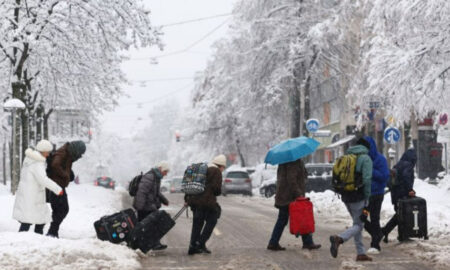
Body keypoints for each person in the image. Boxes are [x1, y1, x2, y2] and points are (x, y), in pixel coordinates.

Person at [329, 137, 373, 262]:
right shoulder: (365, 158)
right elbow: (367, 179)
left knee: (357, 224)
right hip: (358, 196)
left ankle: (361, 253)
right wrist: (367, 197)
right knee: (359, 225)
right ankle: (340, 238)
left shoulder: (347, 157)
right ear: (366, 148)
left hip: (346, 195)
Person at [267, 158, 321, 251]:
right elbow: (292, 179)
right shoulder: (293, 161)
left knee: (287, 219)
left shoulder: (284, 161)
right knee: (300, 217)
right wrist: (298, 194)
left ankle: (274, 242)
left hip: (284, 195)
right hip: (289, 197)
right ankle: (274, 242)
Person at [13, 140, 63, 234]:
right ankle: (25, 240)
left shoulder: (29, 159)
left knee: (37, 220)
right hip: (33, 196)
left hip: (28, 194)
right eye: (48, 152)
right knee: (28, 221)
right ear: (43, 151)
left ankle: (36, 239)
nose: (48, 155)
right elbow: (43, 179)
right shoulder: (37, 163)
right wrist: (58, 189)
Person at [185, 155, 225, 255]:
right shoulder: (216, 171)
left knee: (197, 224)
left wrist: (188, 199)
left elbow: (190, 184)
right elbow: (217, 190)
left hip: (194, 201)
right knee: (212, 219)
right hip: (206, 202)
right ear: (221, 166)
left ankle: (192, 247)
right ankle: (200, 243)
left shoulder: (202, 169)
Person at [46, 140, 86, 238]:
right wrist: (65, 175)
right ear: (76, 150)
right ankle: (52, 232)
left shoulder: (67, 153)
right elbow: (55, 164)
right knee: (63, 209)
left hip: (58, 185)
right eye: (79, 153)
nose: (79, 156)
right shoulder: (63, 152)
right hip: (56, 185)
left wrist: (69, 173)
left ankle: (53, 232)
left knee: (58, 210)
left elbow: (62, 164)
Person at [381, 149, 417, 243]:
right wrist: (410, 190)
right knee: (401, 215)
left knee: (400, 215)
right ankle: (387, 231)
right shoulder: (408, 165)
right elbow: (406, 176)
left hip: (395, 194)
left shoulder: (398, 164)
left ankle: (399, 235)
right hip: (402, 194)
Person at [132, 161, 170, 250]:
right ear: (161, 169)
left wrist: (164, 200)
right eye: (165, 171)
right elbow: (142, 192)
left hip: (149, 205)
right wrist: (139, 207)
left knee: (151, 225)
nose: (166, 174)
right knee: (149, 226)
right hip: (145, 206)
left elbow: (156, 192)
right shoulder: (150, 177)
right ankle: (144, 243)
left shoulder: (156, 177)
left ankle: (152, 243)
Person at [363, 136, 390, 254]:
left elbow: (384, 176)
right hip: (365, 195)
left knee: (374, 218)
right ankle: (378, 234)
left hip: (377, 195)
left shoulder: (380, 159)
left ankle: (375, 245)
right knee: (361, 218)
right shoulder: (362, 159)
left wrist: (371, 170)